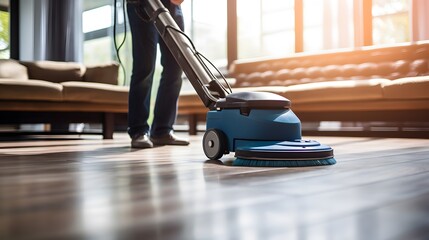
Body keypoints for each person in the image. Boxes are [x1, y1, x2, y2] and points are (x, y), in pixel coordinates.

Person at [126, 0, 189, 148]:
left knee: (175, 67)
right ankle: (138, 130)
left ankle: (162, 130)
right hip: (142, 4)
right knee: (144, 67)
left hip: (173, 6)